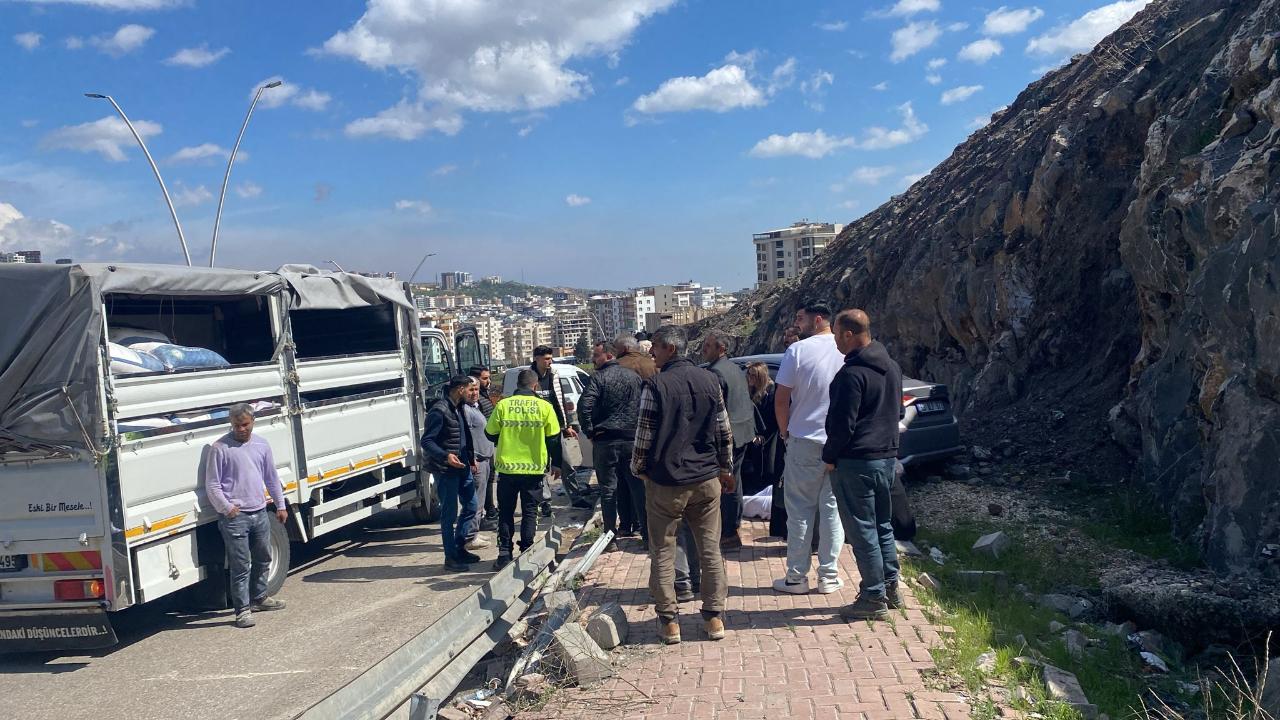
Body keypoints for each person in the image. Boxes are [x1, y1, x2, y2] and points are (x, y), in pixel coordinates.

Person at [632, 325, 734, 645]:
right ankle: (714, 617)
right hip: (705, 479)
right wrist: (725, 467)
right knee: (709, 549)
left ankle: (669, 622)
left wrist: (639, 468)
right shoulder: (710, 380)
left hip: (666, 481)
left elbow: (644, 436)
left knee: (663, 550)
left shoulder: (655, 385)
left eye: (657, 348)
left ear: (671, 350)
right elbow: (723, 431)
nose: (651, 352)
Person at [825, 309, 904, 621]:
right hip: (886, 458)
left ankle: (872, 597)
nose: (834, 342)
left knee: (862, 530)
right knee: (883, 525)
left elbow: (842, 425)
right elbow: (896, 413)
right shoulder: (892, 367)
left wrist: (829, 457)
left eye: (835, 336)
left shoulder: (851, 375)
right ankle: (890, 586)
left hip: (855, 462)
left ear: (848, 334)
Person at [773, 302, 847, 595]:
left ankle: (796, 577)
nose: (797, 324)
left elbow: (782, 398)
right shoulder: (845, 349)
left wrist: (784, 432)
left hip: (804, 439)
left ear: (818, 319)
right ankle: (828, 576)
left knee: (800, 509)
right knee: (832, 510)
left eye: (800, 318)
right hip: (837, 441)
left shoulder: (798, 351)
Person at [204, 403, 288, 628]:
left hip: (260, 512)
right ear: (230, 424)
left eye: (245, 425)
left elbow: (271, 477)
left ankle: (260, 598)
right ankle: (242, 611)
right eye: (236, 425)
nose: (241, 429)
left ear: (253, 422)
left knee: (264, 557)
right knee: (241, 565)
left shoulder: (262, 445)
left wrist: (280, 505)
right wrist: (227, 508)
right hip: (235, 518)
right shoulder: (220, 448)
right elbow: (213, 484)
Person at [485, 369, 561, 570]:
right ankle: (527, 550)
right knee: (529, 512)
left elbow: (490, 434)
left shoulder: (503, 405)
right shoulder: (545, 407)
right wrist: (558, 463)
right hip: (533, 470)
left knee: (506, 513)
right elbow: (553, 439)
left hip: (507, 470)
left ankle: (504, 554)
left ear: (517, 385)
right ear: (535, 385)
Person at [579, 338, 646, 550]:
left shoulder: (597, 378)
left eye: (596, 355)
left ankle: (610, 539)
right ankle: (647, 535)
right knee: (638, 488)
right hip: (631, 439)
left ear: (609, 356)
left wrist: (590, 431)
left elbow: (584, 406)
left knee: (608, 491)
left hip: (606, 440)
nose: (593, 359)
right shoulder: (634, 377)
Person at [701, 330, 754, 550]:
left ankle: (729, 533)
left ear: (721, 348)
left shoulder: (717, 374)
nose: (703, 349)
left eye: (708, 346)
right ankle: (733, 526)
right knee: (735, 481)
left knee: (726, 484)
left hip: (728, 437)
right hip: (742, 432)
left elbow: (715, 411)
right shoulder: (734, 368)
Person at [422, 376, 481, 572]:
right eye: (468, 389)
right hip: (446, 470)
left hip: (463, 466)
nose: (472, 392)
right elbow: (427, 441)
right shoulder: (439, 411)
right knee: (449, 514)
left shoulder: (459, 408)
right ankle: (451, 557)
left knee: (472, 506)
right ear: (459, 389)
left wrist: (471, 459)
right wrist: (445, 456)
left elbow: (464, 436)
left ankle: (459, 547)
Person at [531, 346, 587, 510]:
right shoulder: (530, 377)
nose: (549, 362)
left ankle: (576, 498)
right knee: (541, 468)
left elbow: (561, 401)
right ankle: (544, 502)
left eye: (550, 358)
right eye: (546, 359)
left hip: (556, 428)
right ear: (536, 358)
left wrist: (567, 425)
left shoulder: (554, 375)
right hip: (538, 430)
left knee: (567, 464)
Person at [742, 361, 787, 537]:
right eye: (748, 375)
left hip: (769, 438)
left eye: (753, 375)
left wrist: (762, 435)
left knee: (767, 473)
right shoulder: (750, 392)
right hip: (753, 439)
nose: (749, 378)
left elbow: (773, 417)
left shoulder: (772, 392)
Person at [462, 379, 494, 551]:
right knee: (474, 501)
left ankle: (473, 531)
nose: (474, 393)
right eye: (471, 389)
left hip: (485, 458)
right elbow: (464, 437)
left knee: (479, 500)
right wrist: (471, 458)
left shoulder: (474, 407)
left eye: (476, 389)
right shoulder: (465, 411)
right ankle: (470, 536)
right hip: (476, 461)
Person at [468, 365, 499, 532]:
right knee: (482, 486)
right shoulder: (471, 402)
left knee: (489, 480)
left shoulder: (484, 395)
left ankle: (490, 512)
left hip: (487, 447)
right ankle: (482, 520)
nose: (489, 381)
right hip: (478, 452)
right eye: (485, 378)